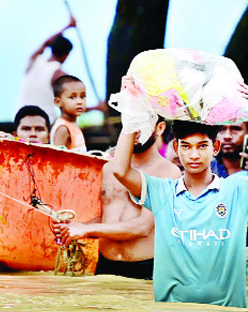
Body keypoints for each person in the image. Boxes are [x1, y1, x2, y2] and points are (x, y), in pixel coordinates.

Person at [111, 77, 248, 307]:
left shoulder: (236, 189)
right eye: (186, 146)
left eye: (202, 146)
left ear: (215, 148)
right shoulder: (162, 192)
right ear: (176, 148)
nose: (194, 155)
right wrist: (131, 111)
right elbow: (121, 171)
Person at [52, 118, 182, 280]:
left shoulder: (168, 173)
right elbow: (107, 219)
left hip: (144, 268)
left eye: (142, 124)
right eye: (130, 124)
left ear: (160, 128)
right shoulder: (108, 168)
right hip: (106, 265)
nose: (135, 131)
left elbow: (142, 227)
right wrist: (74, 228)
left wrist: (87, 229)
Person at [17, 16, 76, 123]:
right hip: (43, 123)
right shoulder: (59, 74)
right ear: (66, 55)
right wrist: (97, 108)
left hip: (21, 121)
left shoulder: (34, 61)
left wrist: (67, 27)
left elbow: (46, 43)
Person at [50, 75, 87, 152]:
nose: (79, 102)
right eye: (72, 97)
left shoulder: (72, 125)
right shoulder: (63, 128)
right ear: (58, 102)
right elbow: (57, 158)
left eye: (82, 96)